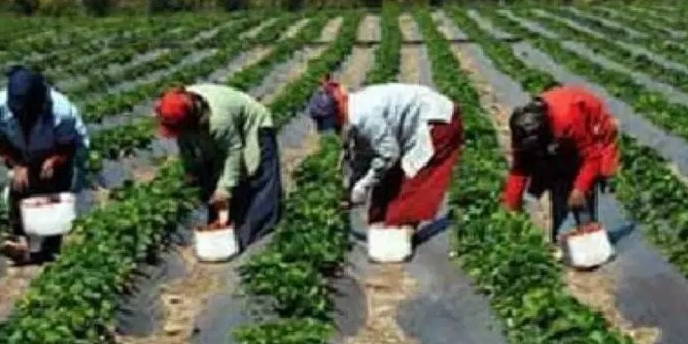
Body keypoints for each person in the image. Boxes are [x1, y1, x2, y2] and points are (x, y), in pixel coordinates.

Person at [307, 78, 464, 239]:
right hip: (411, 125)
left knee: (414, 179)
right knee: (386, 176)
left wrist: (363, 186)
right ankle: (382, 223)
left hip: (437, 121)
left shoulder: (364, 116)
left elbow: (389, 155)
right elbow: (364, 155)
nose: (335, 128)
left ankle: (400, 233)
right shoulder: (353, 113)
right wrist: (352, 188)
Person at [154, 84, 283, 251]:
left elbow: (233, 151)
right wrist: (191, 172)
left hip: (254, 125)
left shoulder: (218, 119)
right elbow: (186, 146)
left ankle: (256, 233)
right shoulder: (181, 108)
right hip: (225, 130)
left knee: (257, 176)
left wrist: (225, 189)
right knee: (215, 174)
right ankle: (227, 222)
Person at [0, 66, 90, 263]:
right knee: (18, 186)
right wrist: (17, 165)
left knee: (56, 190)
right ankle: (19, 238)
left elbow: (68, 148)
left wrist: (53, 161)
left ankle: (50, 246)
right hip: (23, 152)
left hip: (59, 151)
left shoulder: (62, 112)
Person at [501, 84, 619, 248]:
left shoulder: (569, 118)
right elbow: (520, 168)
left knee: (584, 192)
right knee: (559, 183)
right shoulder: (523, 130)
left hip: (593, 131)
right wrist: (511, 206)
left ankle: (587, 234)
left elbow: (592, 156)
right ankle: (561, 236)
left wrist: (580, 188)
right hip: (563, 141)